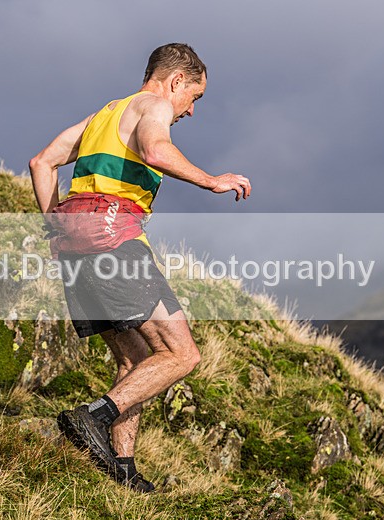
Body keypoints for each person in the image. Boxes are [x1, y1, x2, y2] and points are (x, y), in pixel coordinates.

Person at [28, 43, 250, 493]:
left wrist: (58, 226)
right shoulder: (154, 106)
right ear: (176, 81)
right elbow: (155, 150)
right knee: (183, 354)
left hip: (75, 243)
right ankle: (93, 416)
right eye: (195, 97)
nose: (190, 111)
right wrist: (212, 180)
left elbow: (41, 162)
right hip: (113, 239)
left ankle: (122, 469)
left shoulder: (105, 115)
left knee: (136, 359)